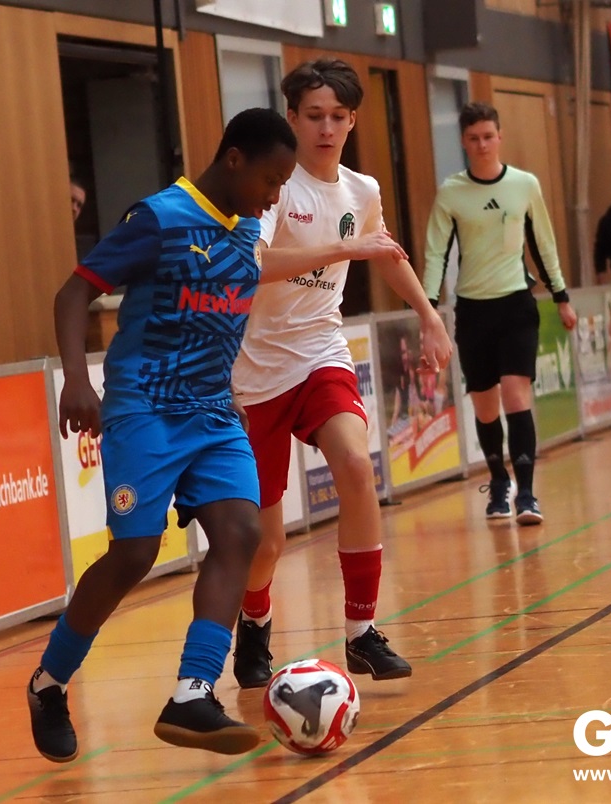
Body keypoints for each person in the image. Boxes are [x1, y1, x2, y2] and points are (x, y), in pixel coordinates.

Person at [25, 107, 297, 762]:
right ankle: (48, 683)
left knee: (242, 533)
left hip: (214, 413)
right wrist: (76, 379)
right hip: (145, 408)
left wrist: (231, 388)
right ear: (234, 159)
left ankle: (192, 693)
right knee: (134, 555)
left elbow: (220, 317)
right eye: (270, 179)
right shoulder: (158, 219)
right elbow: (72, 294)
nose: (274, 196)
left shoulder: (248, 229)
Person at [230, 59, 453, 689]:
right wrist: (345, 248)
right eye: (313, 116)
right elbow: (254, 264)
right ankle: (255, 621)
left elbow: (384, 250)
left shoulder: (362, 191)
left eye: (337, 117)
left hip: (321, 350)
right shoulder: (276, 187)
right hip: (255, 369)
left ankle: (361, 632)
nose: (325, 128)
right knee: (265, 543)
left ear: (352, 121)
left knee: (357, 465)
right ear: (292, 118)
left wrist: (429, 316)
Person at [424, 101, 577, 526]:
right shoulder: (451, 192)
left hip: (516, 305)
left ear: (500, 136)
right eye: (474, 138)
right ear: (463, 141)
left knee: (515, 394)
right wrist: (429, 309)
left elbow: (543, 243)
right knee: (486, 406)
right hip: (473, 310)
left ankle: (526, 492)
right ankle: (498, 482)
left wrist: (561, 296)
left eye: (488, 136)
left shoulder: (524, 185)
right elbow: (436, 253)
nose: (482, 144)